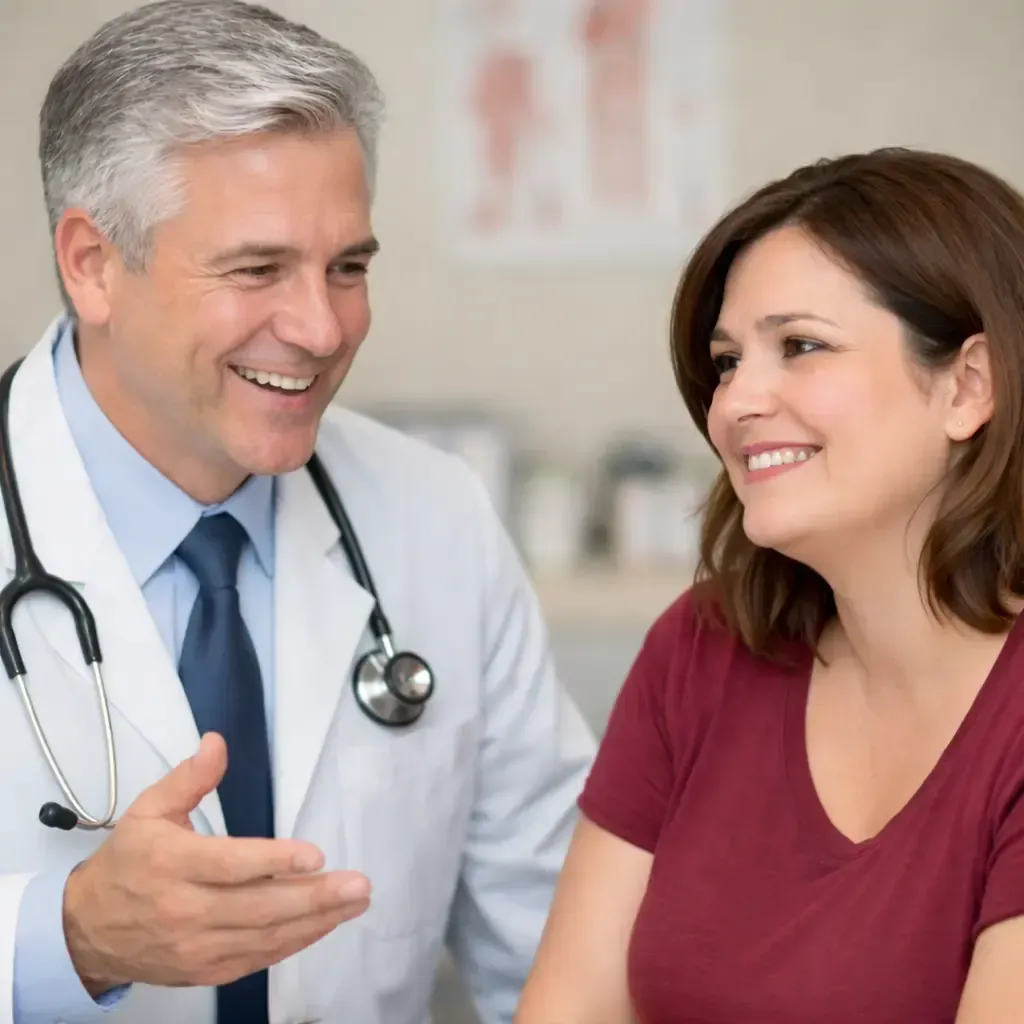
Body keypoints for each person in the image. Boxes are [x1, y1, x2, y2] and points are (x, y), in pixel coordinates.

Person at [0, 2, 596, 1023]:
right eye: (256, 269)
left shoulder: (435, 515)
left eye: (348, 267)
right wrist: (69, 938)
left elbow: (558, 940)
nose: (322, 329)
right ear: (92, 264)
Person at [515, 147, 1024, 1023]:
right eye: (726, 362)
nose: (736, 403)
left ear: (968, 387)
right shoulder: (703, 646)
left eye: (801, 346)